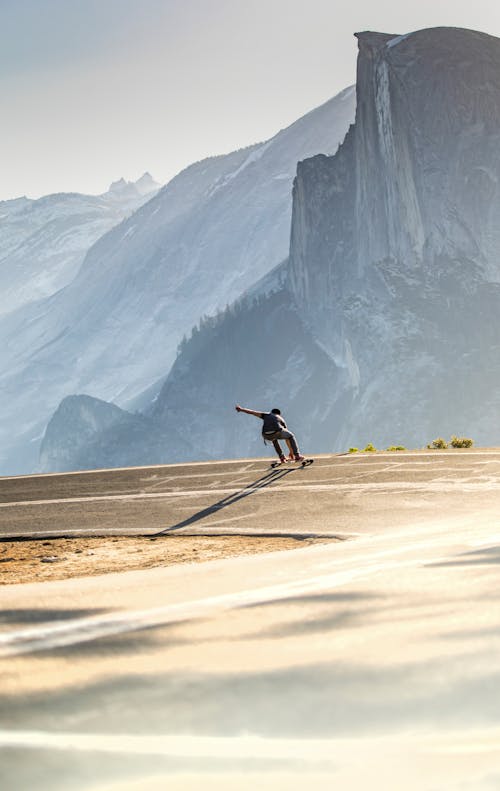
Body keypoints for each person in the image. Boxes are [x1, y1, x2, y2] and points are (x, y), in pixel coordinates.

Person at [235, 404, 304, 463]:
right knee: (291, 436)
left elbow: (252, 412)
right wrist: (291, 452)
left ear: (271, 412)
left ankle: (282, 457)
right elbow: (287, 439)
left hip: (266, 435)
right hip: (277, 431)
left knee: (274, 439)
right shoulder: (281, 419)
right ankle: (297, 456)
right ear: (279, 414)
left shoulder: (266, 415)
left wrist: (241, 409)